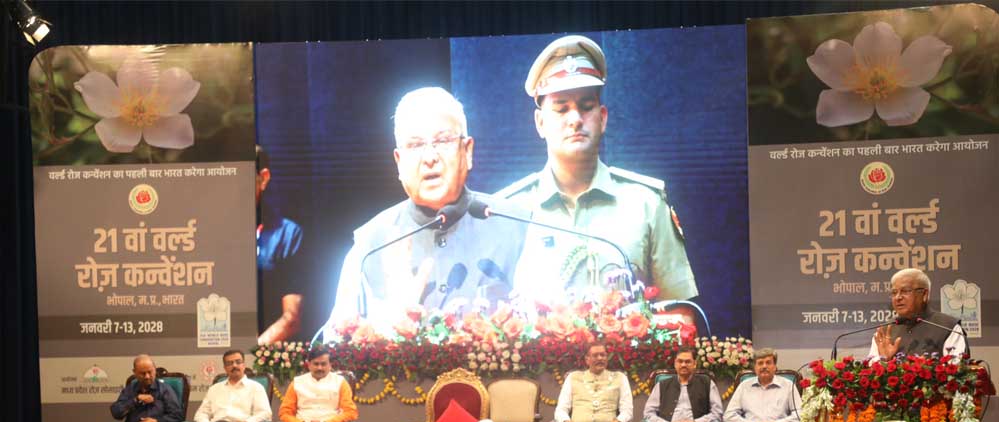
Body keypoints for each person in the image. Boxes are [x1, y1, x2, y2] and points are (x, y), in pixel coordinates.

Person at [497, 35, 698, 312]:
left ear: (602, 117)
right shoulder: (509, 212)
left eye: (586, 107)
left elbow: (681, 316)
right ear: (540, 123)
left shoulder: (645, 205)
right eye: (561, 108)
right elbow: (490, 321)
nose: (575, 119)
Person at [326, 87, 525, 336]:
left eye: (443, 141)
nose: (430, 157)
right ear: (399, 162)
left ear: (467, 151)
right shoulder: (370, 245)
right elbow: (334, 344)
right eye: (415, 145)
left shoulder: (517, 227)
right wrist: (391, 325)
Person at [256, 145, 304, 345]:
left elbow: (291, 319)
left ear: (263, 178)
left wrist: (248, 353)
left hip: (263, 353)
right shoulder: (212, 230)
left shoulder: (288, 234)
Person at [869, 267, 966, 359]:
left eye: (905, 291)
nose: (898, 297)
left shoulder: (948, 327)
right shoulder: (884, 331)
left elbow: (957, 368)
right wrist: (884, 361)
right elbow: (871, 367)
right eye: (894, 292)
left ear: (924, 294)